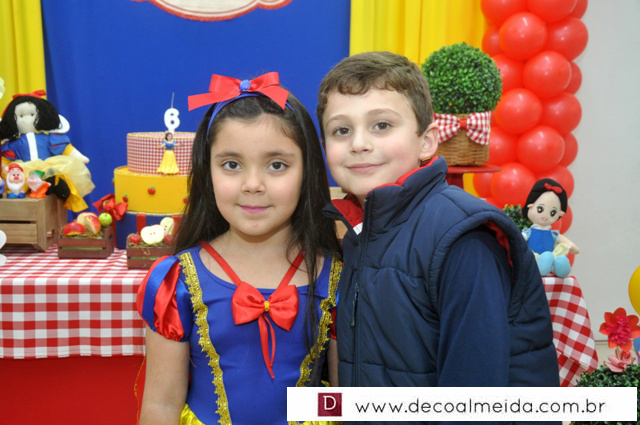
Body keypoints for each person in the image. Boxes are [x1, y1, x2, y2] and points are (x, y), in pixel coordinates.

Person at [317, 52, 559, 423]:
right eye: (341, 130)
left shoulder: (462, 239)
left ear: (427, 141)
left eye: (381, 125)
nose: (359, 144)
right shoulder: (359, 233)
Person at [137, 72, 342, 425]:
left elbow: (343, 403)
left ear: (306, 171)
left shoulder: (338, 277)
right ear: (207, 171)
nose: (252, 184)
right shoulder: (176, 282)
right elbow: (161, 405)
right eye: (231, 165)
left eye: (276, 165)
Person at [522, 178, 579, 278]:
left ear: (559, 214)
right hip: (533, 260)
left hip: (550, 260)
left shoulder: (554, 234)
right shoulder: (528, 233)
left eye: (552, 213)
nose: (545, 216)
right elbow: (518, 241)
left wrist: (573, 248)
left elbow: (572, 247)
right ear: (530, 206)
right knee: (547, 257)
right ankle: (543, 267)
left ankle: (559, 267)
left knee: (558, 259)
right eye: (540, 209)